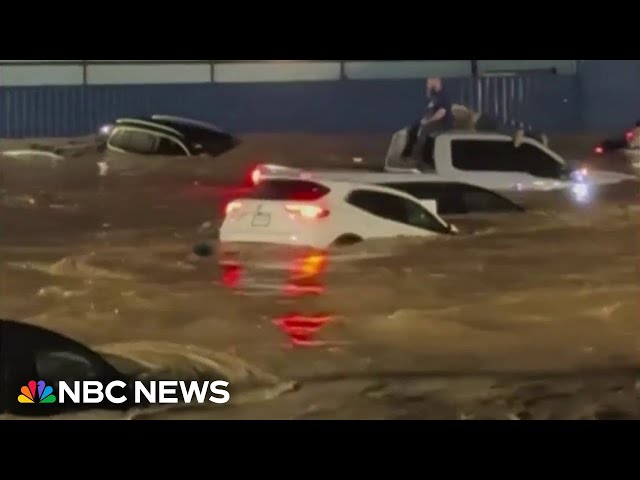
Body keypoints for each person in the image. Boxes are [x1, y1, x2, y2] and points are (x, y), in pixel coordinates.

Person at [402, 77, 455, 161]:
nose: (428, 85)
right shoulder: (433, 97)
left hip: (444, 123)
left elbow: (441, 113)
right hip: (434, 121)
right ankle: (407, 155)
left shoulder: (443, 96)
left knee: (425, 130)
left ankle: (419, 158)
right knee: (412, 129)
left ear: (437, 82)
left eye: (429, 83)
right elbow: (429, 111)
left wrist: (428, 121)